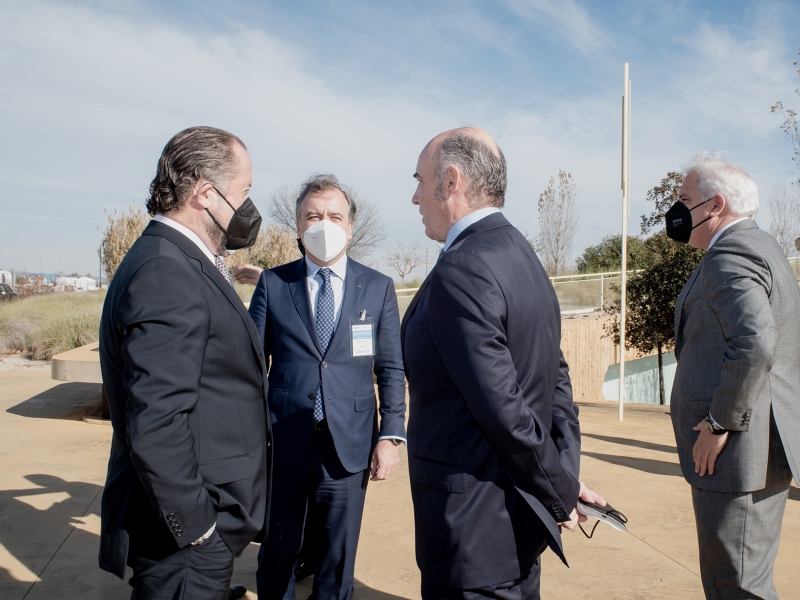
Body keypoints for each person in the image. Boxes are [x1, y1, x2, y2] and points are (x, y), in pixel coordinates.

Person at [401, 127, 603, 600]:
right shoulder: (521, 255)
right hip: (513, 527)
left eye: (418, 179)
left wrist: (557, 490)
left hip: (472, 531)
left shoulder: (463, 267)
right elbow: (557, 385)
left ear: (451, 181)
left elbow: (503, 408)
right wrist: (562, 479)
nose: (413, 197)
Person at [98, 126, 271, 600]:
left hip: (193, 538)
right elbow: (155, 422)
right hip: (182, 543)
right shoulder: (165, 271)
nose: (249, 208)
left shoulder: (179, 259)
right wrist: (199, 532)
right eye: (245, 192)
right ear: (205, 194)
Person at [248, 173, 407, 600]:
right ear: (298, 226)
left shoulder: (377, 288)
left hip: (348, 446)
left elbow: (391, 368)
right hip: (283, 443)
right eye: (312, 216)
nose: (324, 224)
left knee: (337, 561)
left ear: (351, 227)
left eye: (335, 216)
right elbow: (247, 366)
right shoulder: (273, 285)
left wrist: (391, 436)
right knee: (278, 554)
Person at [668, 152, 800, 599]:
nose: (677, 210)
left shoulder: (731, 253)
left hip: (736, 455)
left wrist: (718, 422)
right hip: (760, 450)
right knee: (747, 579)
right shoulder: (763, 245)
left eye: (685, 199)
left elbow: (755, 342)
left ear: (716, 205)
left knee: (736, 586)